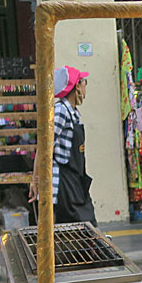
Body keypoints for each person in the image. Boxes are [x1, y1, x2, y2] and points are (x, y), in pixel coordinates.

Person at [29, 66, 96, 225]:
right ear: (76, 86)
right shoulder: (60, 111)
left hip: (75, 177)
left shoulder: (74, 113)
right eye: (83, 82)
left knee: (85, 225)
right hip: (62, 182)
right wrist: (35, 179)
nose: (85, 85)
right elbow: (44, 147)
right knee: (73, 226)